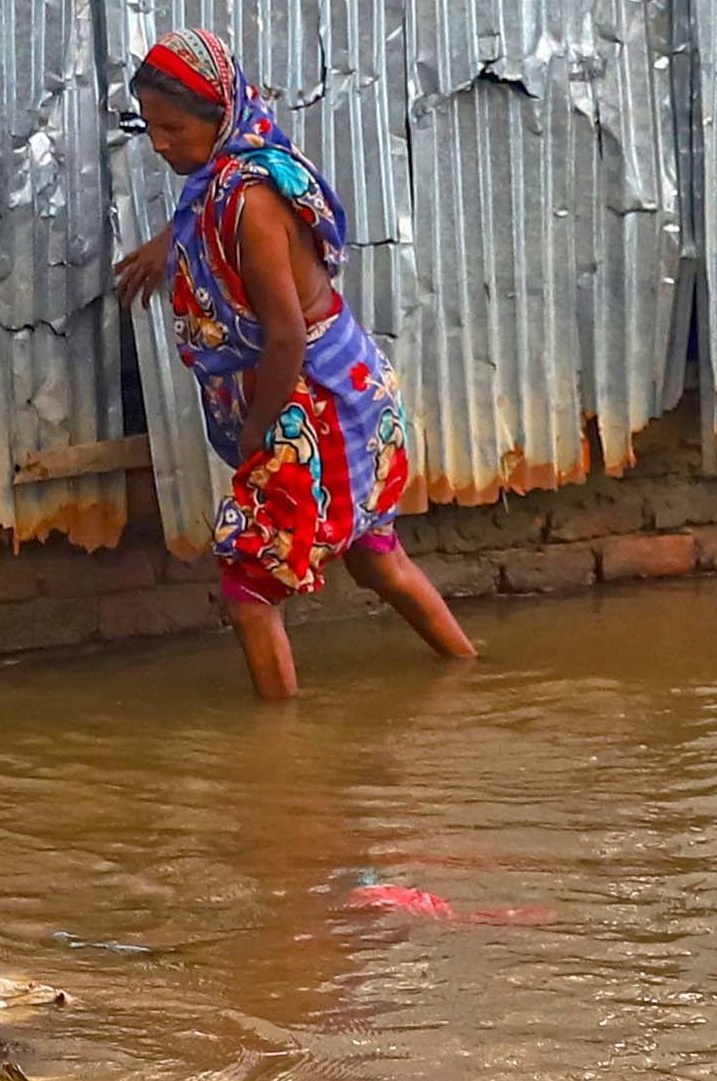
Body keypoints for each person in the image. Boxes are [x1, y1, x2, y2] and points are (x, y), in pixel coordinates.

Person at [109, 34, 478, 702]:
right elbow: (207, 210)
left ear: (218, 117)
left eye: (174, 129)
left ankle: (282, 756)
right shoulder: (239, 169)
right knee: (374, 555)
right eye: (152, 129)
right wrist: (170, 241)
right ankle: (467, 670)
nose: (161, 145)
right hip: (347, 387)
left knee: (249, 586)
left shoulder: (245, 202)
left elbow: (284, 337)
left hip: (311, 405)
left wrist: (259, 430)